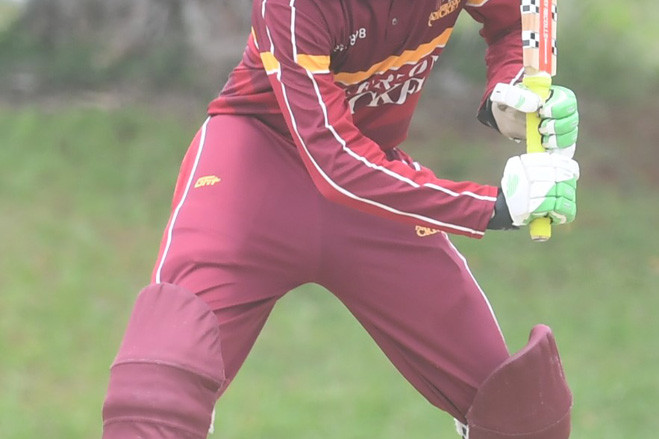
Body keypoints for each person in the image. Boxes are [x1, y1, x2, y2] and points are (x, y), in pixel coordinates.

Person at [102, 0, 580, 438]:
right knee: (151, 401)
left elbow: (516, 19)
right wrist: (491, 206)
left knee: (521, 415)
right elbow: (333, 160)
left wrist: (510, 89)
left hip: (375, 181)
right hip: (252, 174)